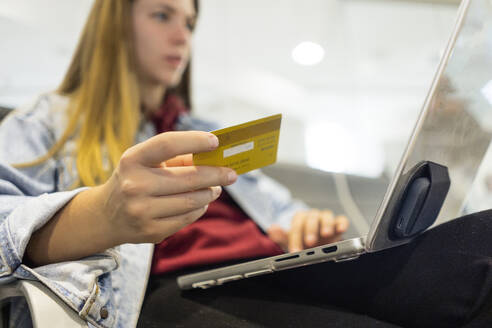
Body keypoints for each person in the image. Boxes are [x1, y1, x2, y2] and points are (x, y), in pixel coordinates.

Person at [0, 1, 349, 327]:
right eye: (163, 16)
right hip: (183, 292)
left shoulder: (209, 131)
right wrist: (102, 214)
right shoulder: (45, 121)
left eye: (190, 23)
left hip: (271, 271)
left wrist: (301, 224)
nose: (183, 37)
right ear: (115, 25)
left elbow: (282, 210)